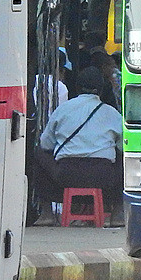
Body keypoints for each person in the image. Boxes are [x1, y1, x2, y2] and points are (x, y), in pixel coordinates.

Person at [35, 66, 123, 221]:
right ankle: (118, 212)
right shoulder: (112, 113)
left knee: (38, 152)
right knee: (127, 158)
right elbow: (123, 146)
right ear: (101, 90)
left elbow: (45, 144)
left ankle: (47, 212)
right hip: (102, 177)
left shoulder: (63, 110)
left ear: (76, 88)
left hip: (66, 176)